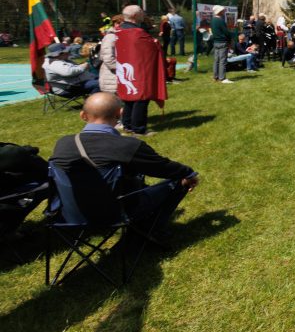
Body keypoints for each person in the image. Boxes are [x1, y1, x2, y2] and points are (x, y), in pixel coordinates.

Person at [49, 92, 199, 241]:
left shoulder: (63, 144)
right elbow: (165, 168)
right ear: (120, 113)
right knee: (181, 179)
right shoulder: (128, 146)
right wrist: (190, 173)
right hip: (117, 214)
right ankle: (151, 229)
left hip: (70, 215)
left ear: (83, 115)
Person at [114, 5, 167, 135]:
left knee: (128, 98)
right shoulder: (137, 33)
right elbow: (153, 47)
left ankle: (128, 125)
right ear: (135, 16)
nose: (144, 15)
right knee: (141, 98)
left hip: (127, 68)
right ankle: (139, 129)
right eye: (141, 13)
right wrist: (155, 42)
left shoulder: (118, 30)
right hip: (139, 70)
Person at [98, 14, 124, 95]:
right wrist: (121, 69)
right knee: (113, 103)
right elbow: (108, 58)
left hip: (119, 75)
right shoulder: (111, 37)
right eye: (118, 23)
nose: (120, 26)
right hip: (111, 76)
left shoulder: (121, 36)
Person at [210, 5, 233, 84]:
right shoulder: (220, 20)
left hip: (216, 42)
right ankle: (222, 78)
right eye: (222, 10)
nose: (223, 12)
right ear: (219, 11)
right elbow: (226, 32)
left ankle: (215, 77)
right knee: (222, 61)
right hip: (223, 42)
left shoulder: (213, 20)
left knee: (216, 60)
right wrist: (230, 39)